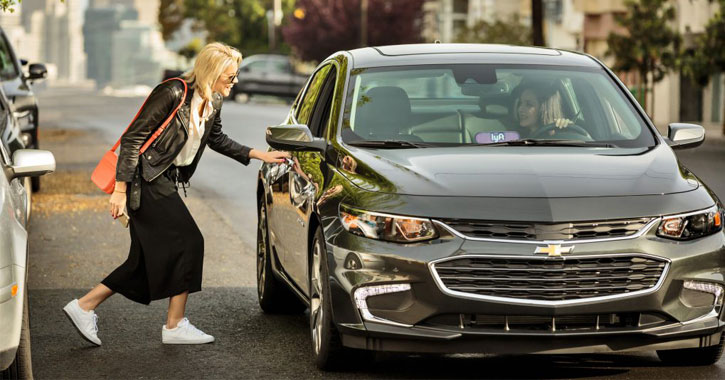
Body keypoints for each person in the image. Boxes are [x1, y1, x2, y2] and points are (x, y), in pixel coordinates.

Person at [63, 42, 289, 346]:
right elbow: (133, 139)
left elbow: (217, 139)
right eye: (230, 76)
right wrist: (119, 190)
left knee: (142, 262)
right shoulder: (173, 92)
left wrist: (258, 154)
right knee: (189, 241)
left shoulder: (213, 101)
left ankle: (85, 305)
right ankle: (175, 324)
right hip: (146, 180)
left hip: (164, 179)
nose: (234, 82)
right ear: (213, 71)